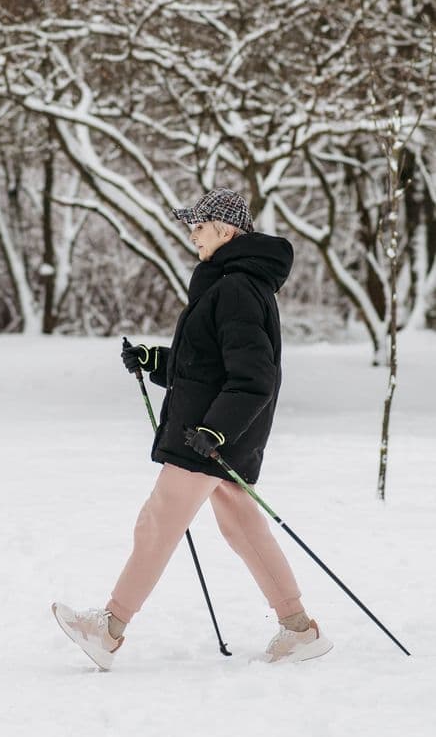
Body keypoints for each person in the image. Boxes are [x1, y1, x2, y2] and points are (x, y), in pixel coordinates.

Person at [52, 188, 332, 669]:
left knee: (158, 521)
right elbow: (206, 368)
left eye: (199, 227)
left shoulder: (236, 288)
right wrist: (153, 361)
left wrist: (217, 432)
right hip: (216, 433)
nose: (192, 235)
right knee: (244, 529)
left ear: (225, 231)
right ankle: (298, 629)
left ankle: (110, 629)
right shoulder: (228, 284)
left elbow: (255, 376)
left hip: (207, 437)